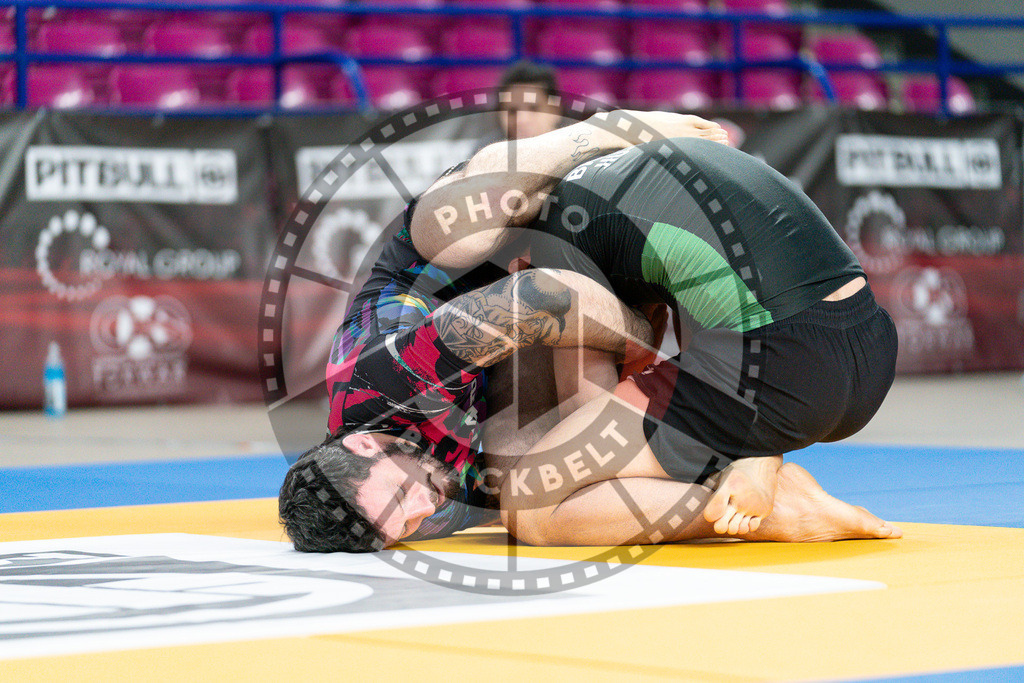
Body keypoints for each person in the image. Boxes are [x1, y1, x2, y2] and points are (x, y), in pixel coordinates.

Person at [279, 111, 730, 551]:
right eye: (405, 527)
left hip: (486, 245)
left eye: (402, 493)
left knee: (461, 235)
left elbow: (541, 298)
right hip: (541, 321)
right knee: (528, 495)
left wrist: (639, 342)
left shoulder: (381, 382)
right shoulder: (420, 515)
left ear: (361, 444)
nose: (424, 507)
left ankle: (601, 130)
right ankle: (726, 475)